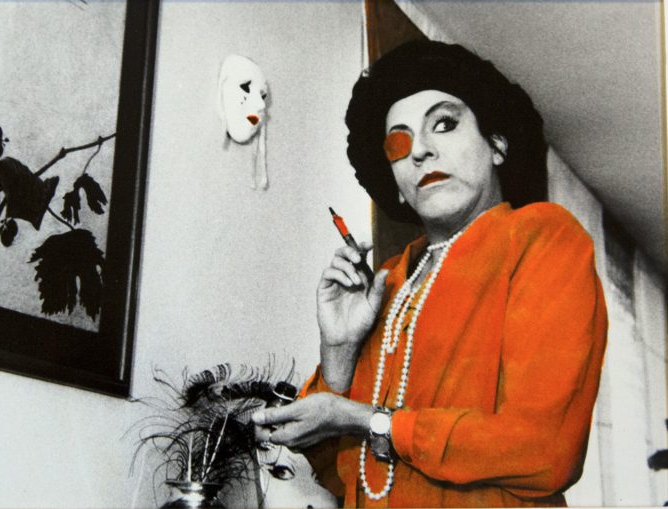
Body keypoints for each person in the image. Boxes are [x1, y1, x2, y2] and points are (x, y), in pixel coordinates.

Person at [252, 39, 607, 507]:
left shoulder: (541, 238)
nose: (419, 150)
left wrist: (369, 420)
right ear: (397, 186)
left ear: (497, 144)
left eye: (444, 124)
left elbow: (545, 451)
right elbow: (347, 477)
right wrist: (339, 347)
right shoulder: (388, 281)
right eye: (398, 144)